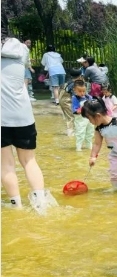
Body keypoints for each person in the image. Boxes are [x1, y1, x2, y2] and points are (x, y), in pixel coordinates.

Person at [1, 38, 57, 214]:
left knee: (6, 164)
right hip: (23, 115)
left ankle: (16, 205)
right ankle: (40, 202)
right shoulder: (22, 53)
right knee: (29, 161)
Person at [82, 98, 117, 191]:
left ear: (98, 116)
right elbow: (97, 144)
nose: (90, 122)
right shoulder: (99, 129)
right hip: (115, 154)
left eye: (89, 118)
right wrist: (92, 157)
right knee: (114, 174)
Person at [71, 80, 95, 151]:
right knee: (80, 132)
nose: (82, 93)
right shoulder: (75, 98)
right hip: (80, 119)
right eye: (80, 91)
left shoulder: (89, 97)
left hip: (89, 119)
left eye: (84, 91)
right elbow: (76, 110)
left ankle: (89, 147)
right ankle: (78, 148)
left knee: (90, 132)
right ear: (75, 90)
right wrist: (82, 108)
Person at [59, 69, 84, 137]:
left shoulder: (68, 81)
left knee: (70, 116)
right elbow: (75, 95)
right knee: (71, 117)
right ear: (80, 76)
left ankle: (72, 131)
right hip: (67, 101)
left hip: (62, 100)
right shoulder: (74, 84)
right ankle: (70, 134)